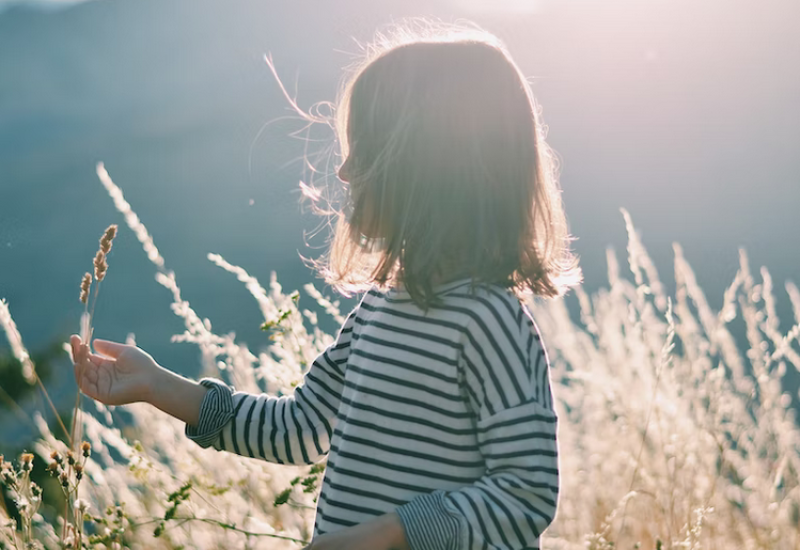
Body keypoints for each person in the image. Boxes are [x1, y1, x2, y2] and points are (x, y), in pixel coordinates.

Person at [70, 21, 581, 550]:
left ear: (428, 169)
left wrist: (388, 534)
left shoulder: (490, 324)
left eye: (364, 150)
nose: (344, 171)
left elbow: (526, 495)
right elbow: (300, 426)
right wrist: (157, 385)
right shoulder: (379, 309)